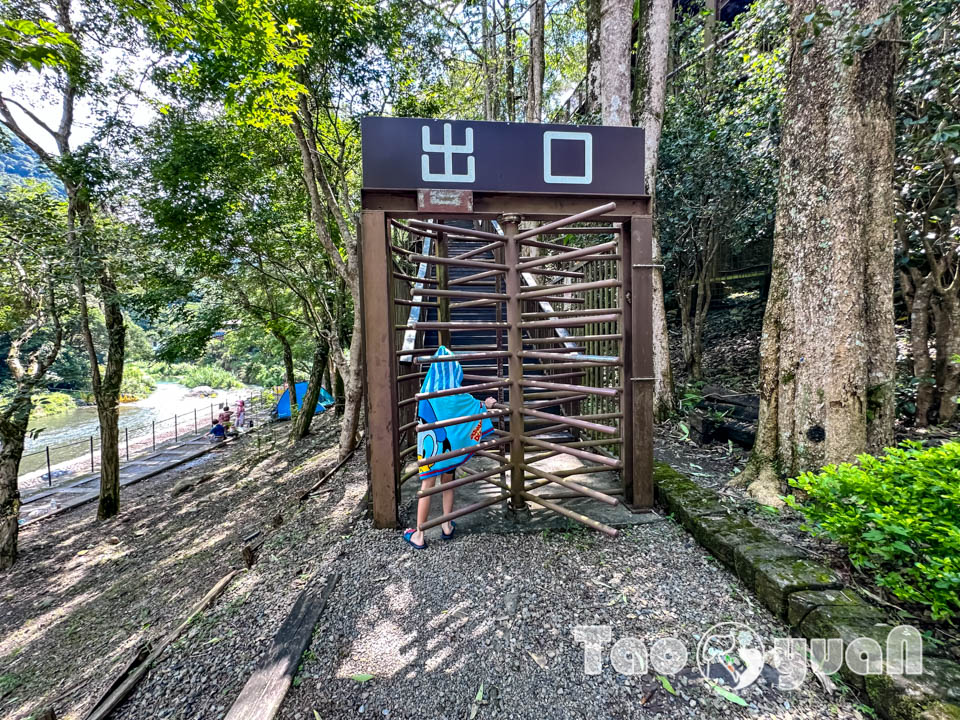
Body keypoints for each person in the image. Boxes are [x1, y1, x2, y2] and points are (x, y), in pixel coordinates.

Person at [403, 346, 498, 550]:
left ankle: (419, 535)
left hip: (430, 454)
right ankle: (447, 525)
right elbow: (475, 407)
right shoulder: (458, 395)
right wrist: (487, 404)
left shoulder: (426, 394)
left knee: (426, 488)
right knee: (448, 482)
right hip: (450, 451)